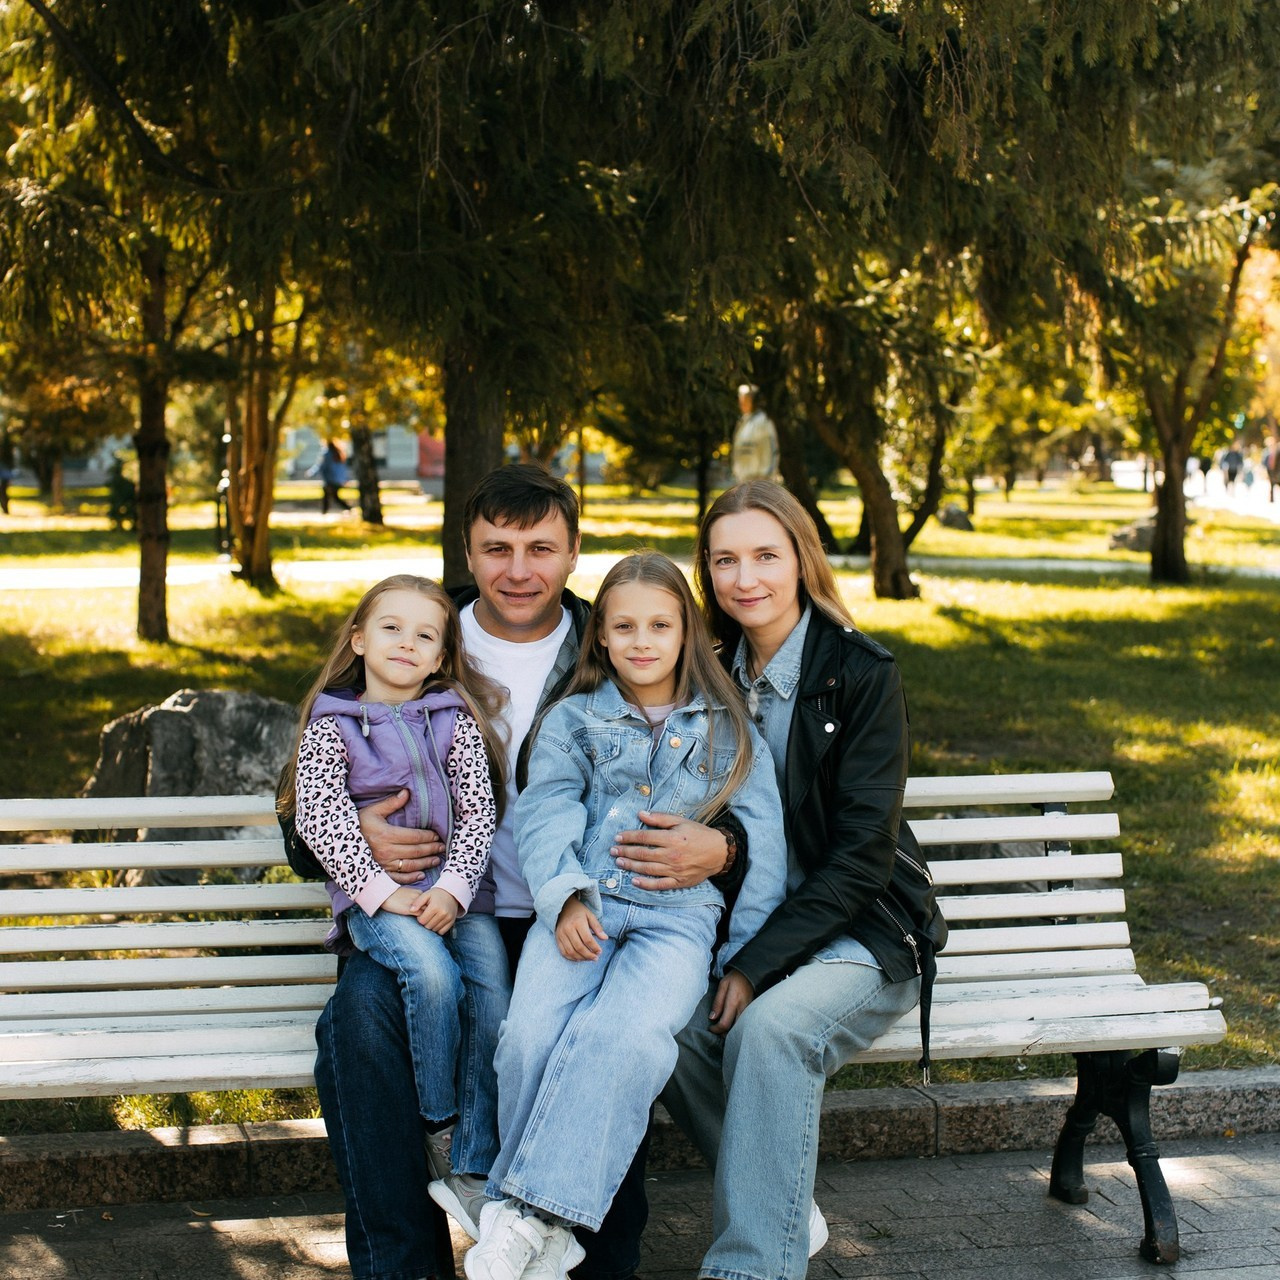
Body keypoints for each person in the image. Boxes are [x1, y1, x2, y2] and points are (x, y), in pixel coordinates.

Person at [284, 464, 746, 1280]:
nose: (519, 570)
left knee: (596, 1033)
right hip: (436, 909)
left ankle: (586, 1257)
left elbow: (730, 760)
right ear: (468, 551)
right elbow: (308, 792)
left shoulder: (614, 636)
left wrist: (727, 845)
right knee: (357, 1027)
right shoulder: (422, 633)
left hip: (584, 909)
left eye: (541, 548)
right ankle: (405, 1265)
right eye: (497, 548)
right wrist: (353, 834)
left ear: (573, 551)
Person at [619, 480, 947, 1280]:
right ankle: (781, 1207)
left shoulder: (860, 671)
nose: (745, 579)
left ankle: (753, 1264)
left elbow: (862, 856)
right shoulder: (702, 669)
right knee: (674, 1028)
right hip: (741, 922)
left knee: (769, 1030)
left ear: (802, 558)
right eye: (724, 560)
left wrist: (755, 965)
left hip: (863, 927)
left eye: (766, 556)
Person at [464, 553, 787, 1280]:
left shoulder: (730, 727)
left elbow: (764, 845)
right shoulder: (573, 719)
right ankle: (549, 1228)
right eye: (625, 626)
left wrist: (744, 960)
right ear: (601, 637)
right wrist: (563, 896)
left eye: (660, 625)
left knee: (625, 1038)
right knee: (528, 1037)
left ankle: (526, 1217)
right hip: (586, 908)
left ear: (688, 633)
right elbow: (545, 812)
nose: (643, 641)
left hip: (678, 921)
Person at [278, 574, 509, 1227]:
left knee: (492, 997)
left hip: (459, 895)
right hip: (375, 902)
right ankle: (440, 1128)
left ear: (440, 657)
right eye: (391, 628)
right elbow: (320, 820)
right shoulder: (332, 725)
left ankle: (474, 1159)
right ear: (358, 639)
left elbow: (478, 813)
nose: (407, 643)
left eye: (425, 635)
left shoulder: (455, 721)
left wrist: (454, 890)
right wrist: (387, 895)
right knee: (433, 978)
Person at [730, 384, 780, 484]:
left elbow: (772, 451)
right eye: (741, 399)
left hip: (761, 481)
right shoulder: (742, 422)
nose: (741, 403)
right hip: (743, 480)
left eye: (745, 399)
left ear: (753, 401)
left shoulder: (763, 422)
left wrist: (766, 477)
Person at [312, 440, 353, 513]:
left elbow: (322, 465)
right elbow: (343, 468)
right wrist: (346, 478)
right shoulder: (339, 452)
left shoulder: (327, 453)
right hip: (339, 479)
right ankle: (348, 508)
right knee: (333, 495)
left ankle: (325, 511)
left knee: (330, 494)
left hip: (331, 479)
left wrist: (312, 472)